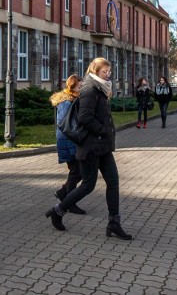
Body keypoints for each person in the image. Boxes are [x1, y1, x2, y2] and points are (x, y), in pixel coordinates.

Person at [45, 57, 132, 240]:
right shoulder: (90, 89)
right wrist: (103, 130)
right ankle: (58, 211)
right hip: (91, 145)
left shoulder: (100, 88)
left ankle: (114, 223)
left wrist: (105, 133)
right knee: (87, 185)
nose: (108, 75)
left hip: (102, 145)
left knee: (113, 182)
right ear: (94, 71)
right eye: (104, 72)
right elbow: (85, 117)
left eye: (109, 71)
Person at [49, 74, 86, 215]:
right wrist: (78, 137)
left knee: (77, 172)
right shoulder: (66, 102)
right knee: (77, 171)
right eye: (79, 86)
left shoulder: (74, 99)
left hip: (71, 140)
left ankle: (63, 193)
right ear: (72, 87)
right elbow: (66, 124)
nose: (81, 88)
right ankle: (70, 202)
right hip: (68, 140)